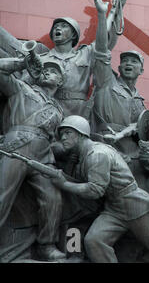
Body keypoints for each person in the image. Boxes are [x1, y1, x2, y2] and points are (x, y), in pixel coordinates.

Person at [47, 116, 149, 263]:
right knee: (95, 241)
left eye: (68, 133)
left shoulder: (97, 155)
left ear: (81, 134)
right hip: (114, 208)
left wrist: (63, 184)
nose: (63, 138)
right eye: (62, 134)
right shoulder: (84, 155)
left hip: (134, 205)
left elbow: (95, 190)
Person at [88, 0, 149, 195]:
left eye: (133, 62)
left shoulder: (140, 101)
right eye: (124, 61)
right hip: (104, 146)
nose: (128, 64)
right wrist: (108, 13)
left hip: (131, 157)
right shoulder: (107, 81)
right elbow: (101, 50)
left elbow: (143, 131)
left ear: (141, 70)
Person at [0, 58, 66, 261]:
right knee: (2, 195)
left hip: (44, 155)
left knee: (53, 199)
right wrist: (22, 63)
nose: (47, 72)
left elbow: (58, 139)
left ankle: (46, 245)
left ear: (61, 81)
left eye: (53, 71)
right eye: (45, 69)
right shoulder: (21, 88)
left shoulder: (59, 110)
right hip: (17, 146)